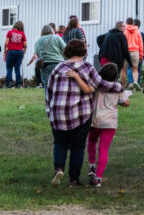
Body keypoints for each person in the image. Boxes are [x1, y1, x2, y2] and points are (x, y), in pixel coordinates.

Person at [46, 39, 124, 187]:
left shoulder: (58, 68)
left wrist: (49, 110)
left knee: (59, 142)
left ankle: (59, 168)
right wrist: (118, 87)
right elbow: (100, 84)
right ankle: (74, 179)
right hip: (79, 114)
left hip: (57, 113)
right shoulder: (87, 67)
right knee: (77, 146)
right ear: (83, 51)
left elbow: (48, 92)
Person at [87, 62, 130, 187]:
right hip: (110, 122)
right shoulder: (118, 87)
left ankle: (91, 166)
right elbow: (126, 102)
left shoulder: (96, 86)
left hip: (95, 120)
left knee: (92, 141)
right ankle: (98, 177)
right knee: (104, 149)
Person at [28, 25, 66, 90]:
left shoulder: (38, 41)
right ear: (52, 31)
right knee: (59, 86)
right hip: (58, 64)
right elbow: (65, 49)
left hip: (44, 65)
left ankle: (48, 99)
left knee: (47, 86)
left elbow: (37, 54)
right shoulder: (57, 38)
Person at [4, 21, 27, 88]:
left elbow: (6, 43)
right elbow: (25, 45)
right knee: (17, 68)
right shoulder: (22, 33)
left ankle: (10, 82)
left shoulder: (10, 32)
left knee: (9, 67)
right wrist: (24, 52)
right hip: (19, 52)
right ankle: (18, 84)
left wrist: (5, 51)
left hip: (11, 51)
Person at [126, 19, 144, 84]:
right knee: (137, 69)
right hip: (138, 54)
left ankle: (131, 83)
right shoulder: (142, 34)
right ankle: (137, 83)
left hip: (129, 52)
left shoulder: (126, 32)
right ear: (139, 25)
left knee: (130, 68)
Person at [123, 18, 143, 89]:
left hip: (126, 52)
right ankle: (135, 82)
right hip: (135, 52)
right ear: (133, 23)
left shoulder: (124, 31)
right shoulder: (137, 31)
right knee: (135, 69)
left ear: (126, 23)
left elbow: (122, 43)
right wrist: (141, 55)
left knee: (126, 69)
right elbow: (141, 44)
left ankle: (129, 84)